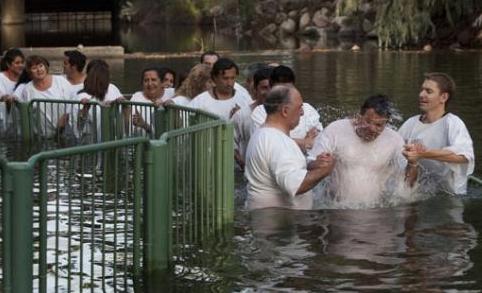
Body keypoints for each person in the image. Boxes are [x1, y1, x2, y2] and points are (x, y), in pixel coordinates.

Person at [308, 95, 417, 207]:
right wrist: (319, 163)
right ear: (360, 116)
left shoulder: (394, 140)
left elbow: (407, 186)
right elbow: (309, 163)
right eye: (368, 122)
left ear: (386, 123)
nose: (372, 128)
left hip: (375, 210)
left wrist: (412, 163)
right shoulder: (335, 130)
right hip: (336, 208)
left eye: (378, 125)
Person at [245, 85, 335, 210]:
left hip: (270, 218)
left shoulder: (263, 133)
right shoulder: (277, 141)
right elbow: (295, 185)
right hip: (278, 222)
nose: (302, 112)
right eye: (299, 108)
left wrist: (311, 164)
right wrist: (325, 170)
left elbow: (279, 168)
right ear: (285, 111)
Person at [399, 72, 474, 194]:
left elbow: (464, 157)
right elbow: (395, 152)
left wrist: (422, 154)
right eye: (422, 90)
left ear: (443, 97)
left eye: (428, 91)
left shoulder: (453, 122)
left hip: (450, 196)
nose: (421, 94)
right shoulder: (411, 123)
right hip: (420, 193)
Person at [251, 65, 323, 153]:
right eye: (281, 90)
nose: (285, 94)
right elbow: (270, 145)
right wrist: (304, 142)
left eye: (289, 89)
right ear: (271, 88)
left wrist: (296, 142)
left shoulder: (307, 109)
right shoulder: (259, 112)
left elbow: (319, 142)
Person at [19, 55, 75, 138]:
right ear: (29, 71)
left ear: (45, 67)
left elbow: (73, 100)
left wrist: (66, 117)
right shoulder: (27, 89)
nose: (39, 70)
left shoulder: (60, 81)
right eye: (34, 68)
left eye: (41, 66)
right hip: (42, 137)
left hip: (65, 134)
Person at [232, 66, 272, 168]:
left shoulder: (288, 113)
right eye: (264, 88)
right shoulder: (241, 115)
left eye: (272, 87)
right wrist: (242, 163)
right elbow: (229, 143)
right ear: (255, 89)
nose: (269, 92)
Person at [130, 67, 175, 132]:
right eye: (146, 80)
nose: (150, 84)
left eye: (153, 80)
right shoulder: (136, 98)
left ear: (162, 82)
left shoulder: (172, 93)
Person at [0, 48, 25, 131]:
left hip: (18, 121)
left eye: (22, 62)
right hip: (4, 121)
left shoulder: (25, 79)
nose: (21, 65)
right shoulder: (1, 77)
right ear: (8, 64)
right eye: (17, 63)